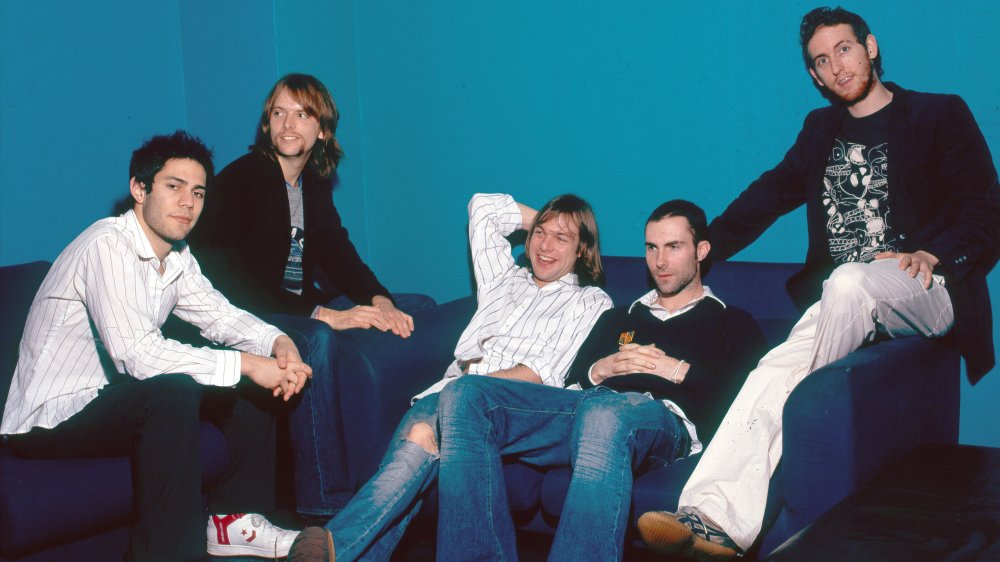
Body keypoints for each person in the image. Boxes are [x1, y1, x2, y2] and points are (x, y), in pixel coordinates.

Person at [637, 7, 1000, 561]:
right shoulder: (820, 130)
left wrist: (935, 252)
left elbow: (986, 207)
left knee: (849, 282)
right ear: (814, 75)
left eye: (845, 50)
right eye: (822, 61)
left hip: (927, 283)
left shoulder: (937, 114)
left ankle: (768, 475)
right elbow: (768, 196)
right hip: (845, 297)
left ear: (871, 48)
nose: (837, 67)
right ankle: (709, 520)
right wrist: (701, 250)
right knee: (771, 370)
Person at [0, 132, 311, 560]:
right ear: (139, 189)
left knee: (238, 380)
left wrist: (277, 342)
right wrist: (246, 363)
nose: (188, 202)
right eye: (174, 186)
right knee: (173, 390)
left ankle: (231, 523)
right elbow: (139, 355)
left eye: (198, 192)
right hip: (48, 418)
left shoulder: (177, 256)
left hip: (107, 400)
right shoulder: (106, 244)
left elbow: (219, 315)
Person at [431, 200, 766, 561]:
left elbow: (748, 406)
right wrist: (601, 369)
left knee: (608, 411)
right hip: (587, 409)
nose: (660, 261)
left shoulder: (734, 323)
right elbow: (569, 378)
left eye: (674, 247)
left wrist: (673, 369)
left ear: (701, 250)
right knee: (466, 393)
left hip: (661, 423)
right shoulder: (618, 317)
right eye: (652, 247)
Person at [287, 192, 614, 561]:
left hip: (508, 406)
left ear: (582, 250)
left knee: (422, 435)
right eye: (541, 234)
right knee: (419, 442)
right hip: (448, 391)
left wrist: (469, 387)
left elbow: (543, 373)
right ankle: (336, 550)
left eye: (562, 238)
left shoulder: (590, 301)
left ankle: (329, 543)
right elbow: (482, 208)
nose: (545, 246)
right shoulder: (503, 280)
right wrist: (549, 220)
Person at [189, 73, 433, 521]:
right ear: (266, 124)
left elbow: (337, 251)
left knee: (416, 306)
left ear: (321, 129)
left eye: (302, 114)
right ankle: (326, 503)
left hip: (293, 305)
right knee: (317, 338)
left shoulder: (312, 183)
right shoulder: (249, 175)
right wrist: (321, 313)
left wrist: (379, 299)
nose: (288, 124)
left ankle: (393, 469)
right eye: (278, 113)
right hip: (247, 310)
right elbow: (221, 274)